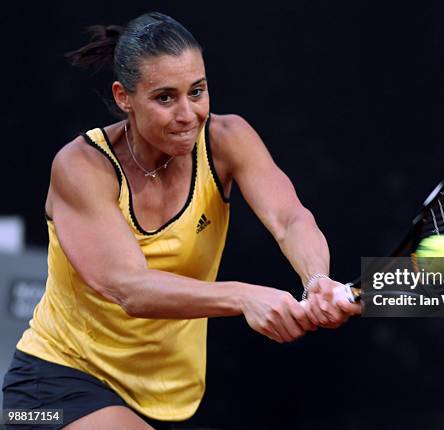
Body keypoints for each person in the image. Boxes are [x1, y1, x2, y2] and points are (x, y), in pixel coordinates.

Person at [1, 12, 360, 430]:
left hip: (168, 399)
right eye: (165, 98)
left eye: (198, 91)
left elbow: (290, 219)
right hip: (53, 389)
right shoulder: (81, 166)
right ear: (124, 97)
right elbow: (128, 288)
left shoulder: (228, 140)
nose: (188, 113)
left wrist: (316, 279)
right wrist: (243, 296)